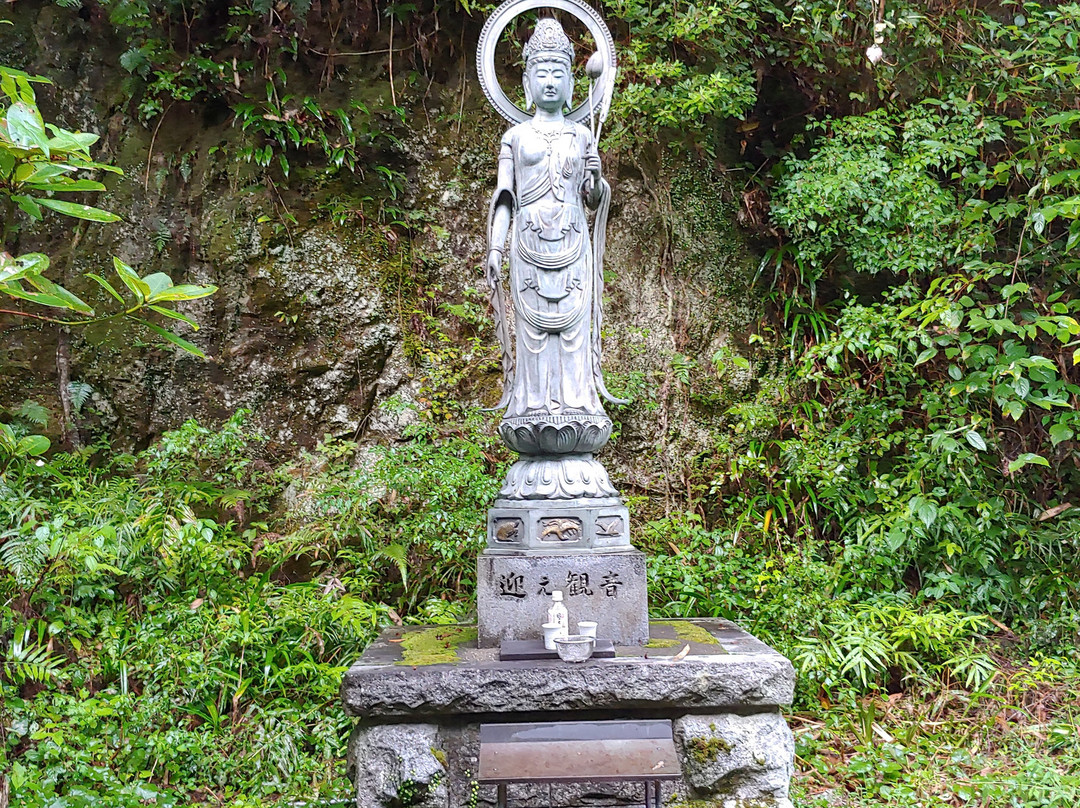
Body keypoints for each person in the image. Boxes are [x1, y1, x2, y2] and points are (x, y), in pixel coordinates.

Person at [485, 17, 621, 431]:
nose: (549, 81)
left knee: (573, 335)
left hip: (573, 242)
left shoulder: (582, 137)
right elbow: (505, 197)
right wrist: (495, 248)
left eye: (558, 73)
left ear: (571, 84)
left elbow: (593, 200)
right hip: (527, 246)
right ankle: (530, 408)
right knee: (533, 335)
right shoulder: (515, 137)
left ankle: (577, 405)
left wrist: (596, 178)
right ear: (526, 84)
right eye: (540, 73)